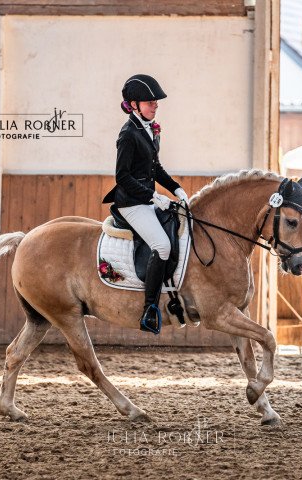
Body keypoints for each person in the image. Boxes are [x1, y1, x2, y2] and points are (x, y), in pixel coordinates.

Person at [102, 74, 189, 334]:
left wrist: (176, 188)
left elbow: (156, 168)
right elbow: (123, 177)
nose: (155, 105)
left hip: (147, 200)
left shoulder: (150, 129)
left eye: (155, 102)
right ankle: (149, 309)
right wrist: (153, 197)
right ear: (134, 105)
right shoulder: (128, 134)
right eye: (150, 102)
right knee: (161, 246)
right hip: (131, 203)